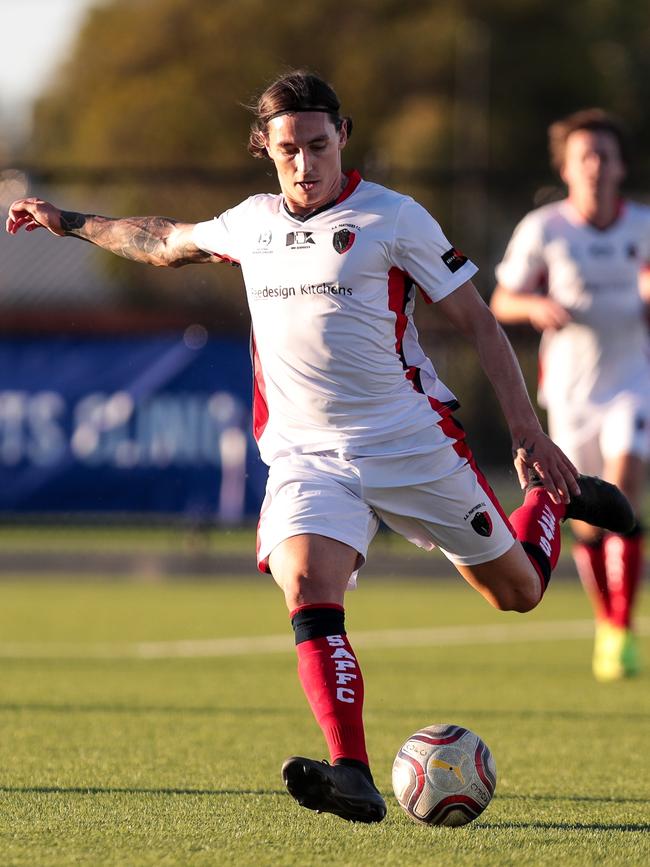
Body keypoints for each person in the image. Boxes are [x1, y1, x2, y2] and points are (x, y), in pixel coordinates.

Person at [6, 73, 633, 823]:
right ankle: (352, 770)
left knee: (520, 591)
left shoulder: (395, 218)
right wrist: (67, 219)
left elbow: (478, 322)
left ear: (343, 135)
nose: (304, 164)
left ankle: (552, 501)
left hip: (411, 442)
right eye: (287, 150)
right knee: (305, 583)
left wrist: (529, 433)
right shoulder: (251, 223)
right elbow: (161, 241)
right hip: (307, 453)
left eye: (317, 144)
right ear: (264, 150)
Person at [491, 108, 649, 683]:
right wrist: (534, 306)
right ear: (567, 167)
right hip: (569, 391)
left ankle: (619, 629)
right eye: (585, 155)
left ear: (621, 165)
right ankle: (608, 618)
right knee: (586, 516)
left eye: (606, 155)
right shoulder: (545, 229)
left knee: (625, 485)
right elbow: (500, 302)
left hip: (634, 384)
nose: (596, 166)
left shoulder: (643, 226)